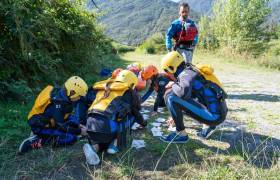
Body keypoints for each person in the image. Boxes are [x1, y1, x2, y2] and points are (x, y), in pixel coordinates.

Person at [160, 51, 228, 143]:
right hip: (220, 112)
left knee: (170, 96)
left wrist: (173, 84)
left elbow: (182, 94)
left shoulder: (185, 75)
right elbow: (189, 98)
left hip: (214, 117)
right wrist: (175, 116)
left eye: (166, 70)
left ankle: (181, 134)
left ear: (172, 68)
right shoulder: (191, 69)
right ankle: (209, 126)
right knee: (177, 94)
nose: (167, 73)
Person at [83, 70, 147, 165]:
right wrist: (144, 123)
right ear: (132, 83)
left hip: (90, 126)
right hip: (107, 128)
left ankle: (94, 148)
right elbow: (136, 113)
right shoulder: (128, 92)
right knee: (130, 116)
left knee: (105, 128)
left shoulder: (105, 86)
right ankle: (115, 144)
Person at [18, 76, 89, 154]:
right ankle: (36, 141)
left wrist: (78, 125)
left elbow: (66, 116)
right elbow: (61, 125)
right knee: (71, 138)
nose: (79, 98)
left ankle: (43, 135)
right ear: (72, 92)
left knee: (74, 122)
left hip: (52, 120)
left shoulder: (62, 94)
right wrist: (79, 131)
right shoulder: (58, 103)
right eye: (79, 96)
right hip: (40, 126)